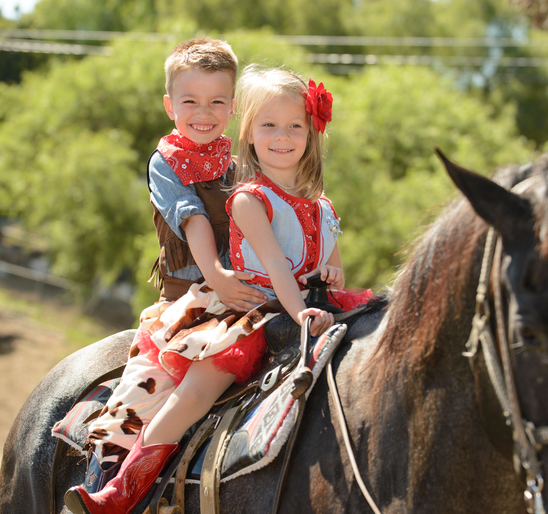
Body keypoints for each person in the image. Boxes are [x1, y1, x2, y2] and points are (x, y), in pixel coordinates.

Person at [64, 66, 352, 514]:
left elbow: (330, 267)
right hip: (252, 308)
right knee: (196, 392)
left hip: (303, 306)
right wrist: (300, 314)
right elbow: (275, 264)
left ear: (313, 132)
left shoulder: (324, 205)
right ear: (250, 134)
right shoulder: (249, 198)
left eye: (295, 125)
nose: (283, 135)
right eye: (269, 125)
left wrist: (330, 280)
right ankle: (120, 491)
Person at [147, 37, 267, 310]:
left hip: (241, 291)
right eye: (190, 101)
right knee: (188, 351)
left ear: (232, 108)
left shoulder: (238, 165)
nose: (204, 113)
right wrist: (216, 278)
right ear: (170, 106)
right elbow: (193, 218)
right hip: (189, 298)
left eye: (216, 102)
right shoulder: (166, 162)